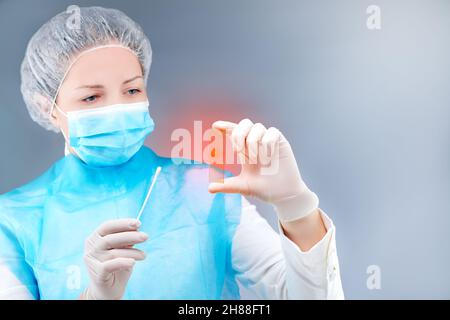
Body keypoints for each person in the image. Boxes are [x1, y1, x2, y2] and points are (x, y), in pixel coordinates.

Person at [0, 6, 344, 300]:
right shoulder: (16, 219)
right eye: (92, 97)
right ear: (48, 107)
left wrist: (295, 206)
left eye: (132, 89)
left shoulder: (205, 189)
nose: (118, 108)